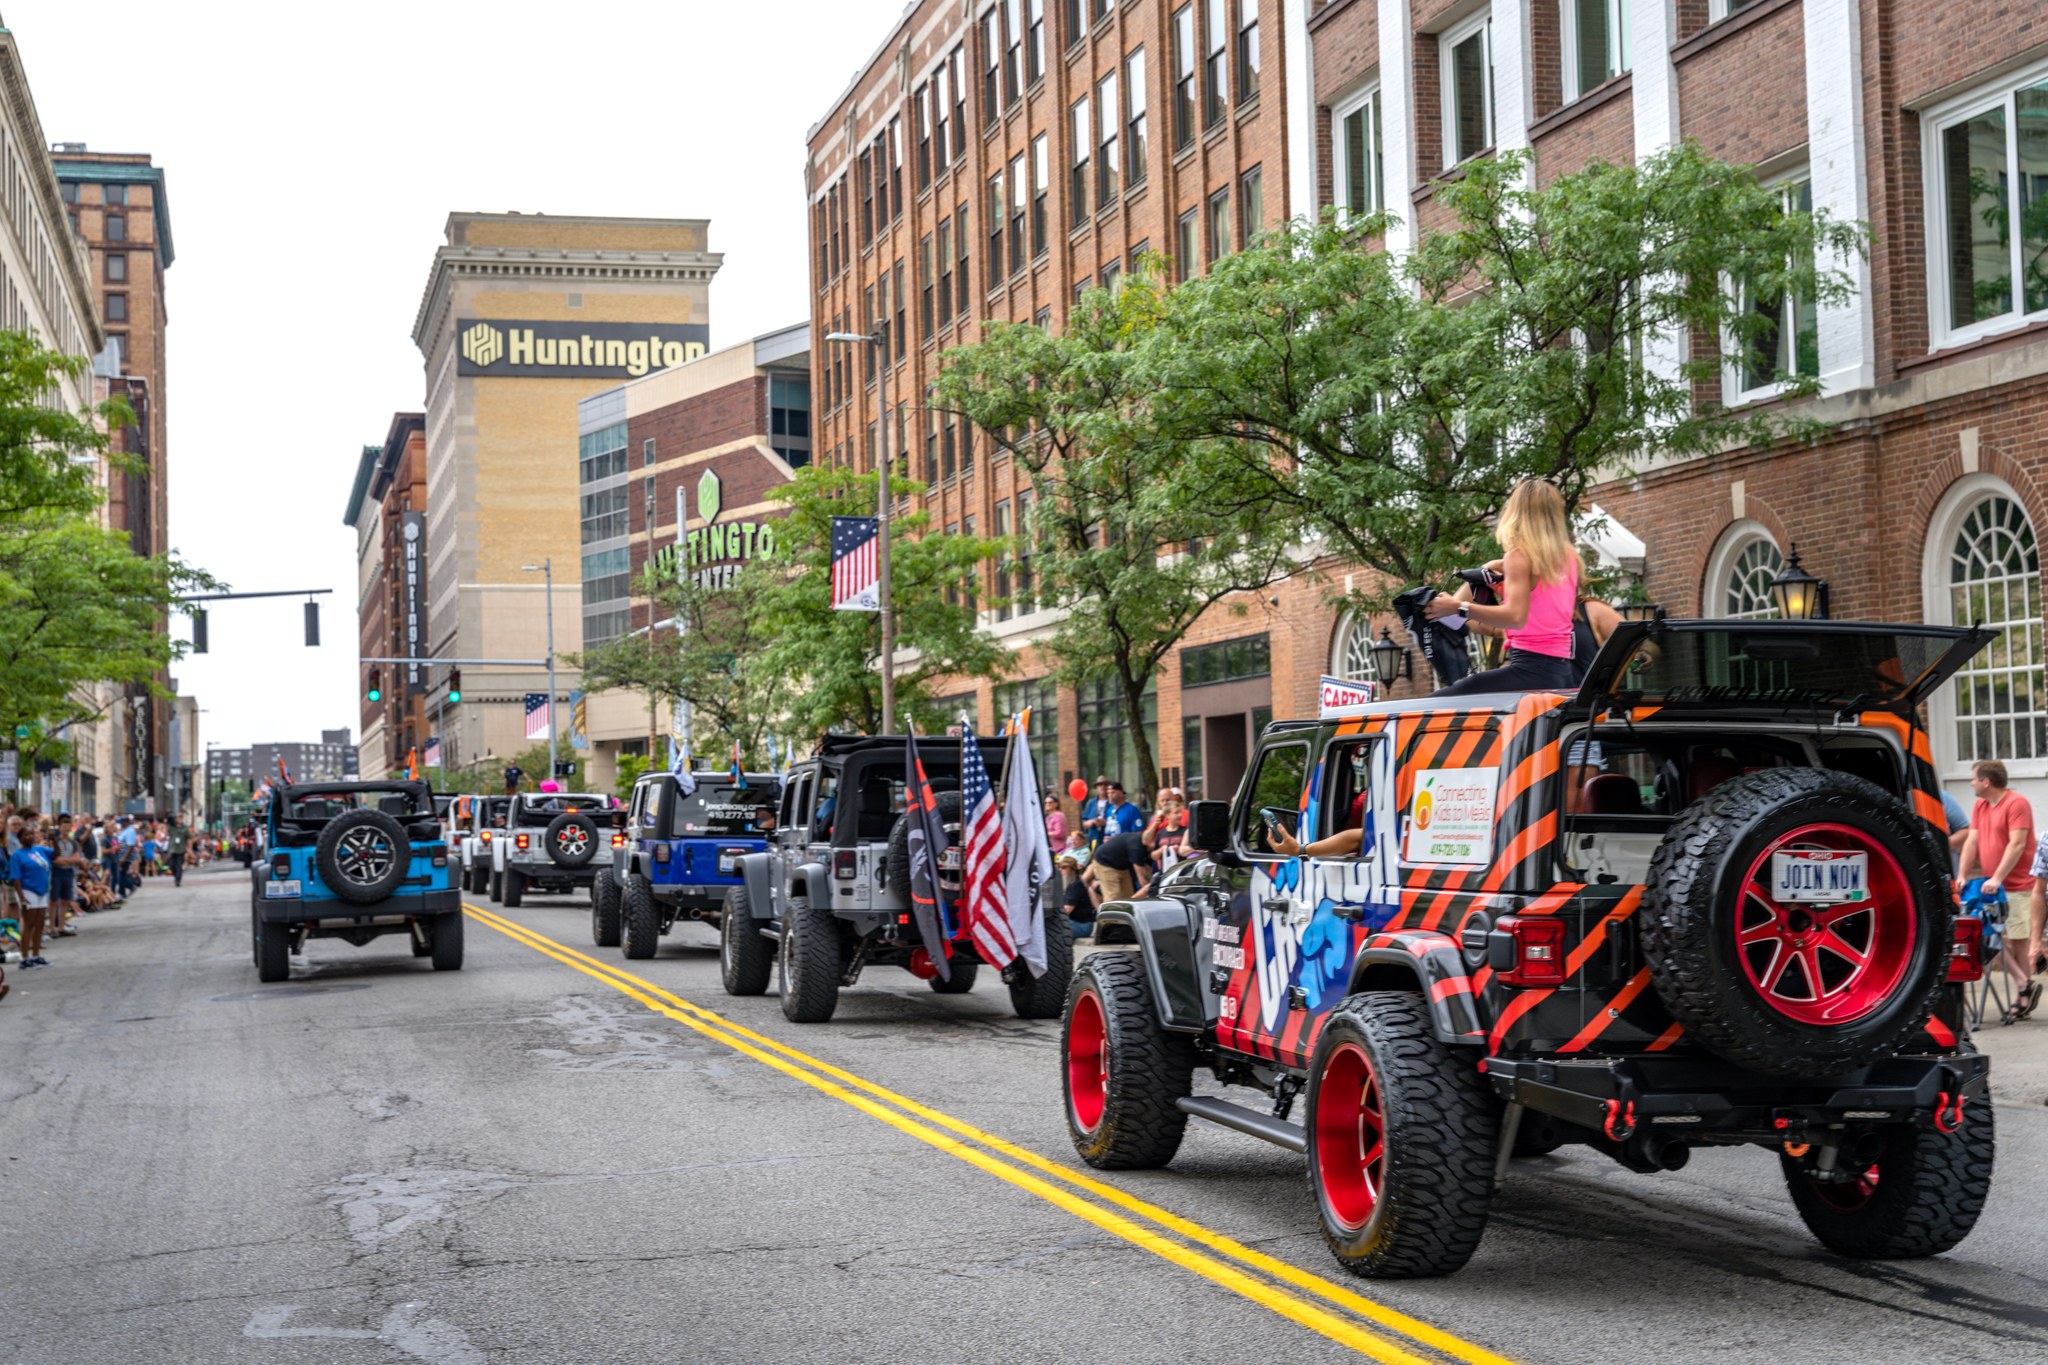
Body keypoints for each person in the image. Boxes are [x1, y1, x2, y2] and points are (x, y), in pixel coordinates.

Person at [1424, 479, 1580, 695]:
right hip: (1561, 673)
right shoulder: (1570, 559)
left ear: (1516, 512)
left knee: (1436, 704)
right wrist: (1486, 570)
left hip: (1530, 672)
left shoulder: (1519, 557)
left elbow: (1514, 617)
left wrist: (1458, 607)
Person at [1956, 759, 2038, 1022]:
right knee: (1988, 934)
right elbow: (1972, 841)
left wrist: (1999, 877)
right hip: (1991, 885)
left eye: (1973, 778)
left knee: (2017, 939)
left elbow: (2017, 845)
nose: (1971, 783)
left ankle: (2022, 997)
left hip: (2017, 883)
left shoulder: (2017, 804)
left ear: (1986, 782)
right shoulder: (1981, 805)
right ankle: (2026, 985)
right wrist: (1962, 874)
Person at [7, 823, 53, 968]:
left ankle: (36, 955)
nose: (30, 837)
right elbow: (15, 877)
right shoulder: (17, 855)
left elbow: (56, 855)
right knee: (29, 925)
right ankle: (25, 958)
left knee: (39, 925)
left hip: (41, 890)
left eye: (31, 834)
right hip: (27, 891)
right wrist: (21, 897)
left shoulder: (39, 850)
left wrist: (54, 839)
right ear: (20, 839)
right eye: (26, 835)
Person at [1089, 828, 1158, 904]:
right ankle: (1110, 915)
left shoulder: (1147, 847)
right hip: (1105, 863)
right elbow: (1141, 876)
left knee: (1127, 895)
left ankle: (1126, 913)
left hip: (1122, 866)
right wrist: (1149, 892)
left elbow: (1148, 869)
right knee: (1113, 896)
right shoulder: (1136, 847)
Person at [1057, 854, 1096, 940]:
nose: (1060, 870)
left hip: (1081, 925)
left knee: (1051, 929)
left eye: (1064, 868)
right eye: (1060, 867)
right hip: (1078, 923)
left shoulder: (1075, 885)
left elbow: (1067, 909)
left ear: (1071, 869)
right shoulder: (1073, 883)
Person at [1080, 776, 1114, 850]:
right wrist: (1091, 822)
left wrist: (1106, 822)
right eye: (1100, 785)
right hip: (1094, 839)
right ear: (1096, 788)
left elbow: (1118, 821)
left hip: (1109, 840)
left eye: (1105, 785)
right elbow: (1084, 822)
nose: (1103, 787)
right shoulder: (1091, 803)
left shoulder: (1113, 803)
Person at [167, 820, 190, 887]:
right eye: (178, 818)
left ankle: (178, 881)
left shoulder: (185, 828)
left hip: (181, 850)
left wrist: (189, 848)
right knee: (171, 865)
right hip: (172, 849)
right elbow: (169, 822)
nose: (180, 819)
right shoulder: (172, 828)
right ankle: (176, 875)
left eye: (181, 818)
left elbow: (189, 838)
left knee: (179, 866)